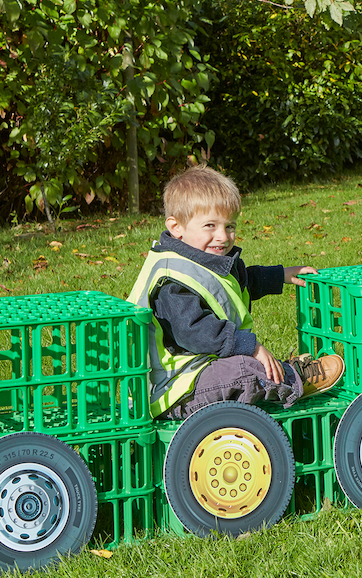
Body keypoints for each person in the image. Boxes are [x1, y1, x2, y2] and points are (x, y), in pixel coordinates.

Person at [128, 164, 344, 419]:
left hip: (197, 373)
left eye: (229, 226)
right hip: (173, 392)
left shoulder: (202, 259)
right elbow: (196, 331)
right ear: (177, 227)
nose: (223, 236)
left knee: (239, 366)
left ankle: (279, 375)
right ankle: (292, 378)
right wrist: (250, 347)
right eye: (210, 225)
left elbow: (237, 283)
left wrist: (280, 275)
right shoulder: (171, 280)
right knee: (243, 369)